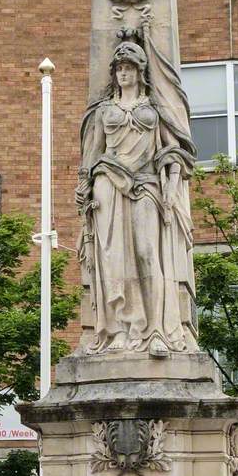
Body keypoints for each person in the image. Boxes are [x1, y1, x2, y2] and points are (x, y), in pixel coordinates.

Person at [77, 20, 197, 355]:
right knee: (112, 260)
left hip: (146, 184)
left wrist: (172, 181)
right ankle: (117, 329)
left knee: (148, 254)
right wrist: (84, 186)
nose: (124, 73)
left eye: (130, 67)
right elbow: (91, 154)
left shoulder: (154, 109)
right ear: (114, 73)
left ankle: (155, 330)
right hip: (108, 184)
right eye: (119, 68)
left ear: (140, 71)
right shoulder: (104, 110)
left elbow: (172, 149)